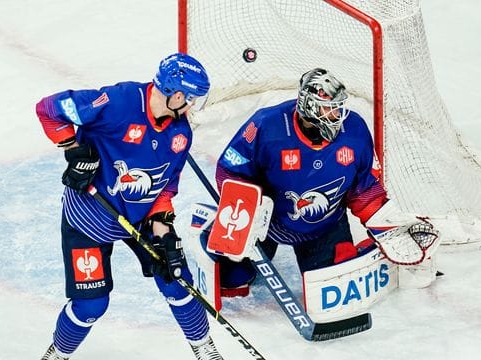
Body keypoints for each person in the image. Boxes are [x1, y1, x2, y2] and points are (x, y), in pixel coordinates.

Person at [36, 53, 223, 360]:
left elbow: (164, 188)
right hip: (89, 218)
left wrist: (163, 232)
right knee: (92, 306)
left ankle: (205, 351)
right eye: (191, 100)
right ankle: (56, 355)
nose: (192, 108)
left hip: (139, 219)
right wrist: (73, 149)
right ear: (176, 95)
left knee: (177, 280)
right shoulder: (118, 103)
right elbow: (47, 110)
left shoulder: (180, 134)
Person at [209, 67, 439, 296]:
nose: (337, 115)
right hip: (267, 223)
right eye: (329, 109)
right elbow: (230, 169)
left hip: (325, 227)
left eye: (338, 108)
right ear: (309, 106)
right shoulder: (266, 125)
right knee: (230, 280)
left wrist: (386, 225)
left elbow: (364, 188)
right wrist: (248, 212)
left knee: (336, 285)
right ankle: (215, 242)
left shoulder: (355, 129)